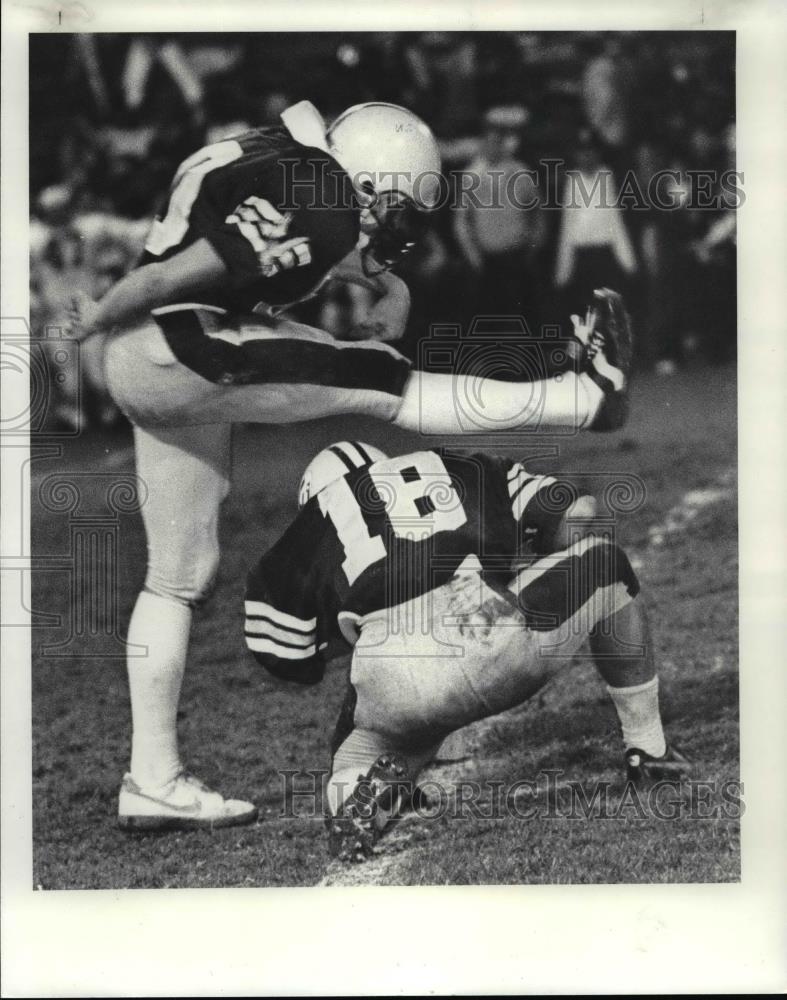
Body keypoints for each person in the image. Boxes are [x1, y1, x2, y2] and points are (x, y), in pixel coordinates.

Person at [70, 97, 630, 832]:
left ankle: (152, 779)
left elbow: (276, 232)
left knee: (178, 576)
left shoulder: (291, 157)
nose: (392, 232)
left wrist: (384, 283)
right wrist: (100, 312)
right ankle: (583, 397)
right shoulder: (326, 198)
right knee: (384, 380)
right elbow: (181, 272)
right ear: (370, 182)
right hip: (178, 341)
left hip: (150, 357)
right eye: (394, 211)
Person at [244, 440, 691, 862]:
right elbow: (577, 513)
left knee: (362, 740)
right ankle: (648, 750)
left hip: (388, 678)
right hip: (485, 632)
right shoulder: (447, 467)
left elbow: (287, 656)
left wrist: (353, 620)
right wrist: (514, 570)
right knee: (605, 560)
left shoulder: (310, 529)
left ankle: (352, 793)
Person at [452, 105, 546, 328]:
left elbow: (538, 213)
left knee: (522, 316)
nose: (493, 146)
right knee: (488, 318)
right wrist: (472, 255)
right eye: (489, 140)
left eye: (498, 140)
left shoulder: (520, 172)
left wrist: (534, 247)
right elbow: (461, 222)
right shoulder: (471, 176)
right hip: (486, 259)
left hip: (516, 255)